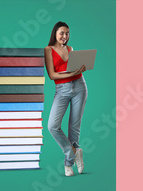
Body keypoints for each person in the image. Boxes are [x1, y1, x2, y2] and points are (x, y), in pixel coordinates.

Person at [43, 21, 87, 177]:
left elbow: (75, 70)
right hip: (62, 89)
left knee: (74, 126)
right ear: (55, 33)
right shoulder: (48, 50)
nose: (64, 36)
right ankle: (73, 152)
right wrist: (71, 74)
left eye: (67, 33)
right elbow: (52, 75)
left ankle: (69, 164)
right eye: (61, 33)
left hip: (80, 86)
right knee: (52, 126)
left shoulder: (70, 49)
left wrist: (80, 69)